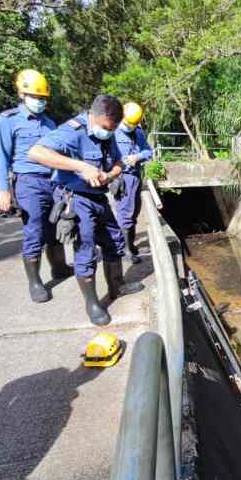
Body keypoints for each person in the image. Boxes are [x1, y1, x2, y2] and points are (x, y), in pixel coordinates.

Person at [28, 94, 143, 326]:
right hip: (76, 198)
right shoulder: (73, 131)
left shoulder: (108, 134)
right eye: (105, 128)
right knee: (86, 249)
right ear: (93, 116)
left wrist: (109, 174)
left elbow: (119, 162)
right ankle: (92, 304)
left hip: (99, 197)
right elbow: (36, 152)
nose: (108, 133)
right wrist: (81, 166)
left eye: (112, 129)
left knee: (115, 240)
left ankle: (116, 286)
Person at [0, 69, 73, 303]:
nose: (40, 102)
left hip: (53, 181)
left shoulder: (49, 123)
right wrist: (4, 190)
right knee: (34, 229)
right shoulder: (7, 121)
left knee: (55, 226)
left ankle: (58, 267)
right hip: (28, 182)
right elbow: (1, 157)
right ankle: (35, 281)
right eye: (35, 97)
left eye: (43, 98)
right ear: (21, 94)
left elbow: (57, 154)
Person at [114, 101, 153, 264]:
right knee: (125, 215)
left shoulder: (138, 132)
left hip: (136, 175)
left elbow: (148, 151)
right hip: (122, 178)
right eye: (128, 123)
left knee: (134, 213)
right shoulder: (113, 132)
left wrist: (137, 157)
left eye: (133, 124)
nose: (130, 126)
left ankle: (132, 245)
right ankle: (126, 250)